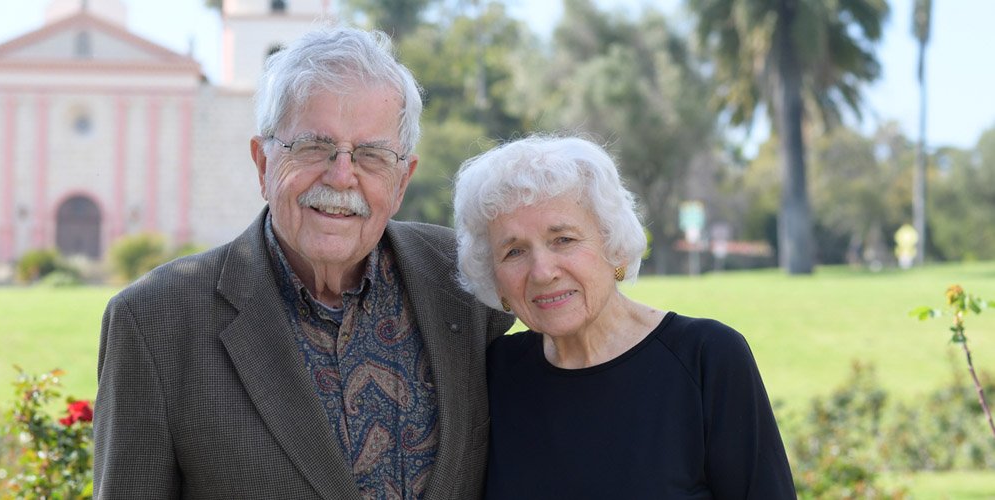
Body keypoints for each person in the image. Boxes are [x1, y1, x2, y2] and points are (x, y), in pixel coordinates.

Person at [93, 26, 515, 498]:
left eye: (371, 155)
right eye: (313, 147)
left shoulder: (467, 279)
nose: (341, 176)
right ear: (262, 163)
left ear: (401, 182)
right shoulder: (155, 322)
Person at [452, 135, 797, 499]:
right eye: (514, 251)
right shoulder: (495, 373)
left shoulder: (707, 358)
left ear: (614, 246)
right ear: (495, 281)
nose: (542, 271)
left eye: (563, 240)